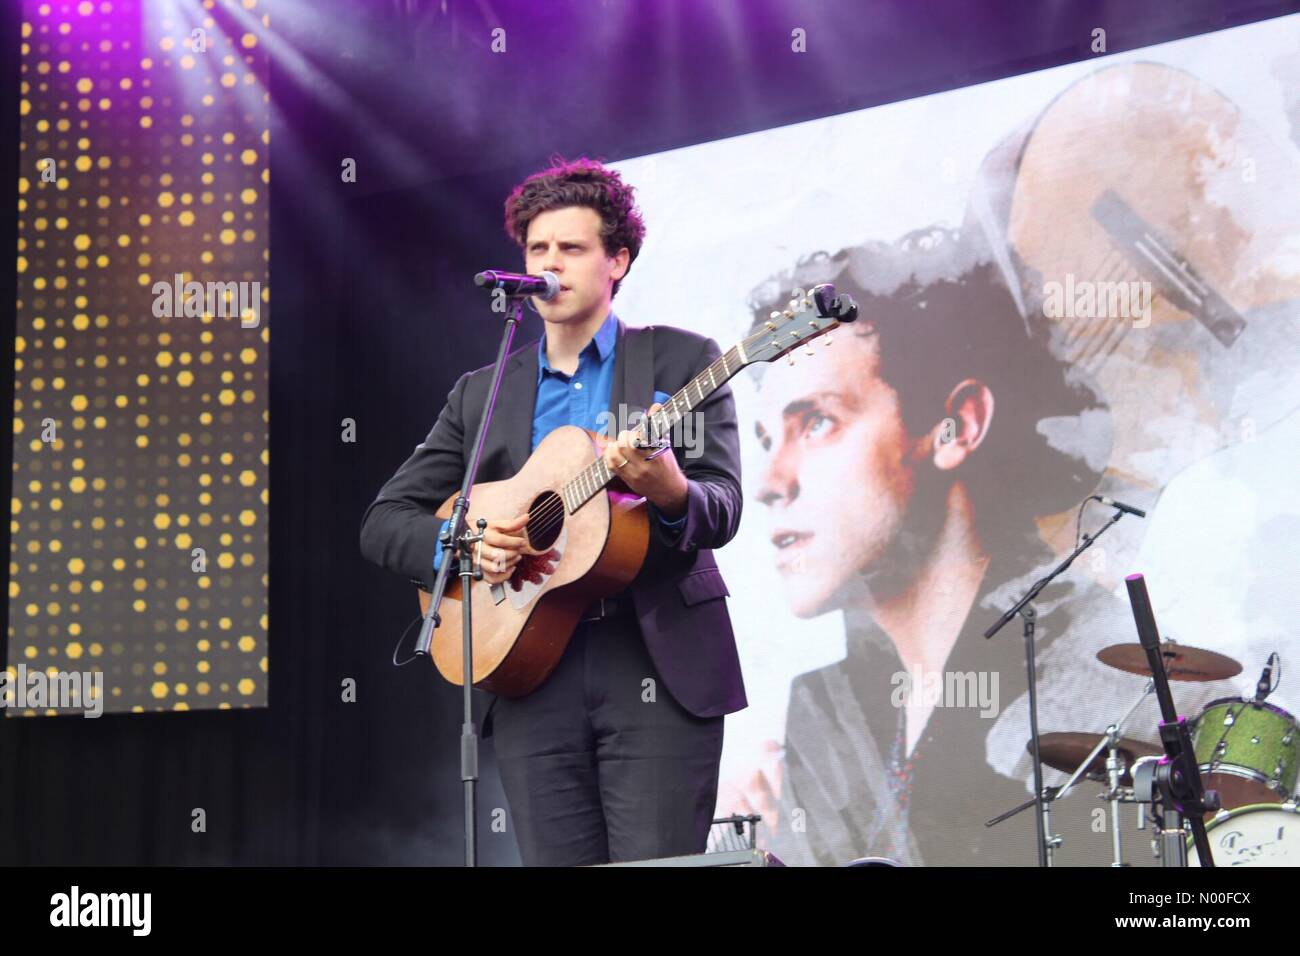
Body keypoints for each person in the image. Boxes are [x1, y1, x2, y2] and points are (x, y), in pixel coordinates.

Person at [359, 156, 747, 866]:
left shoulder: (681, 362)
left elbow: (720, 506)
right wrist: (468, 542)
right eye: (538, 249)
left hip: (655, 662)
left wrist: (667, 489)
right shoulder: (482, 393)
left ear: (617, 261)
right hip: (531, 668)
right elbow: (384, 521)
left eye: (571, 249)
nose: (550, 264)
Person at [729, 227, 1110, 865]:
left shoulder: (1100, 670)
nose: (769, 483)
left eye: (817, 422)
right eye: (768, 440)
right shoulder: (823, 711)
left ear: (954, 427)